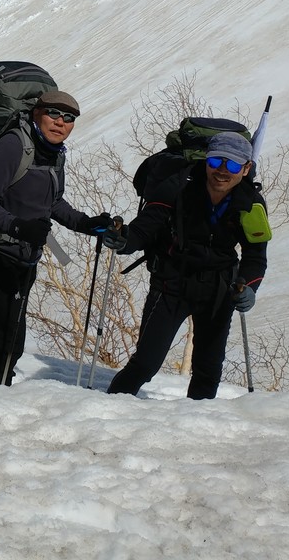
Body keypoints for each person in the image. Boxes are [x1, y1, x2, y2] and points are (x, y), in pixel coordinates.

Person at [106, 131, 271, 399]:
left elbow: (255, 254)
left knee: (208, 370)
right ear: (207, 159)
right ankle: (108, 409)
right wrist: (123, 239)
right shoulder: (178, 185)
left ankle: (194, 431)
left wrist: (249, 287)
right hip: (172, 283)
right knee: (146, 363)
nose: (222, 171)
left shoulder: (250, 203)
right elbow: (145, 227)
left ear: (246, 168)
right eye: (216, 161)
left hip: (220, 290)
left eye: (232, 165)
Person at [0, 90, 113, 386]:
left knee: (11, 329)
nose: (60, 122)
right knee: (5, 331)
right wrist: (18, 227)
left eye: (68, 118)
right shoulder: (12, 146)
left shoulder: (55, 153)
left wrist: (87, 224)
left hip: (26, 251)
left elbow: (53, 202)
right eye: (53, 114)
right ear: (36, 114)